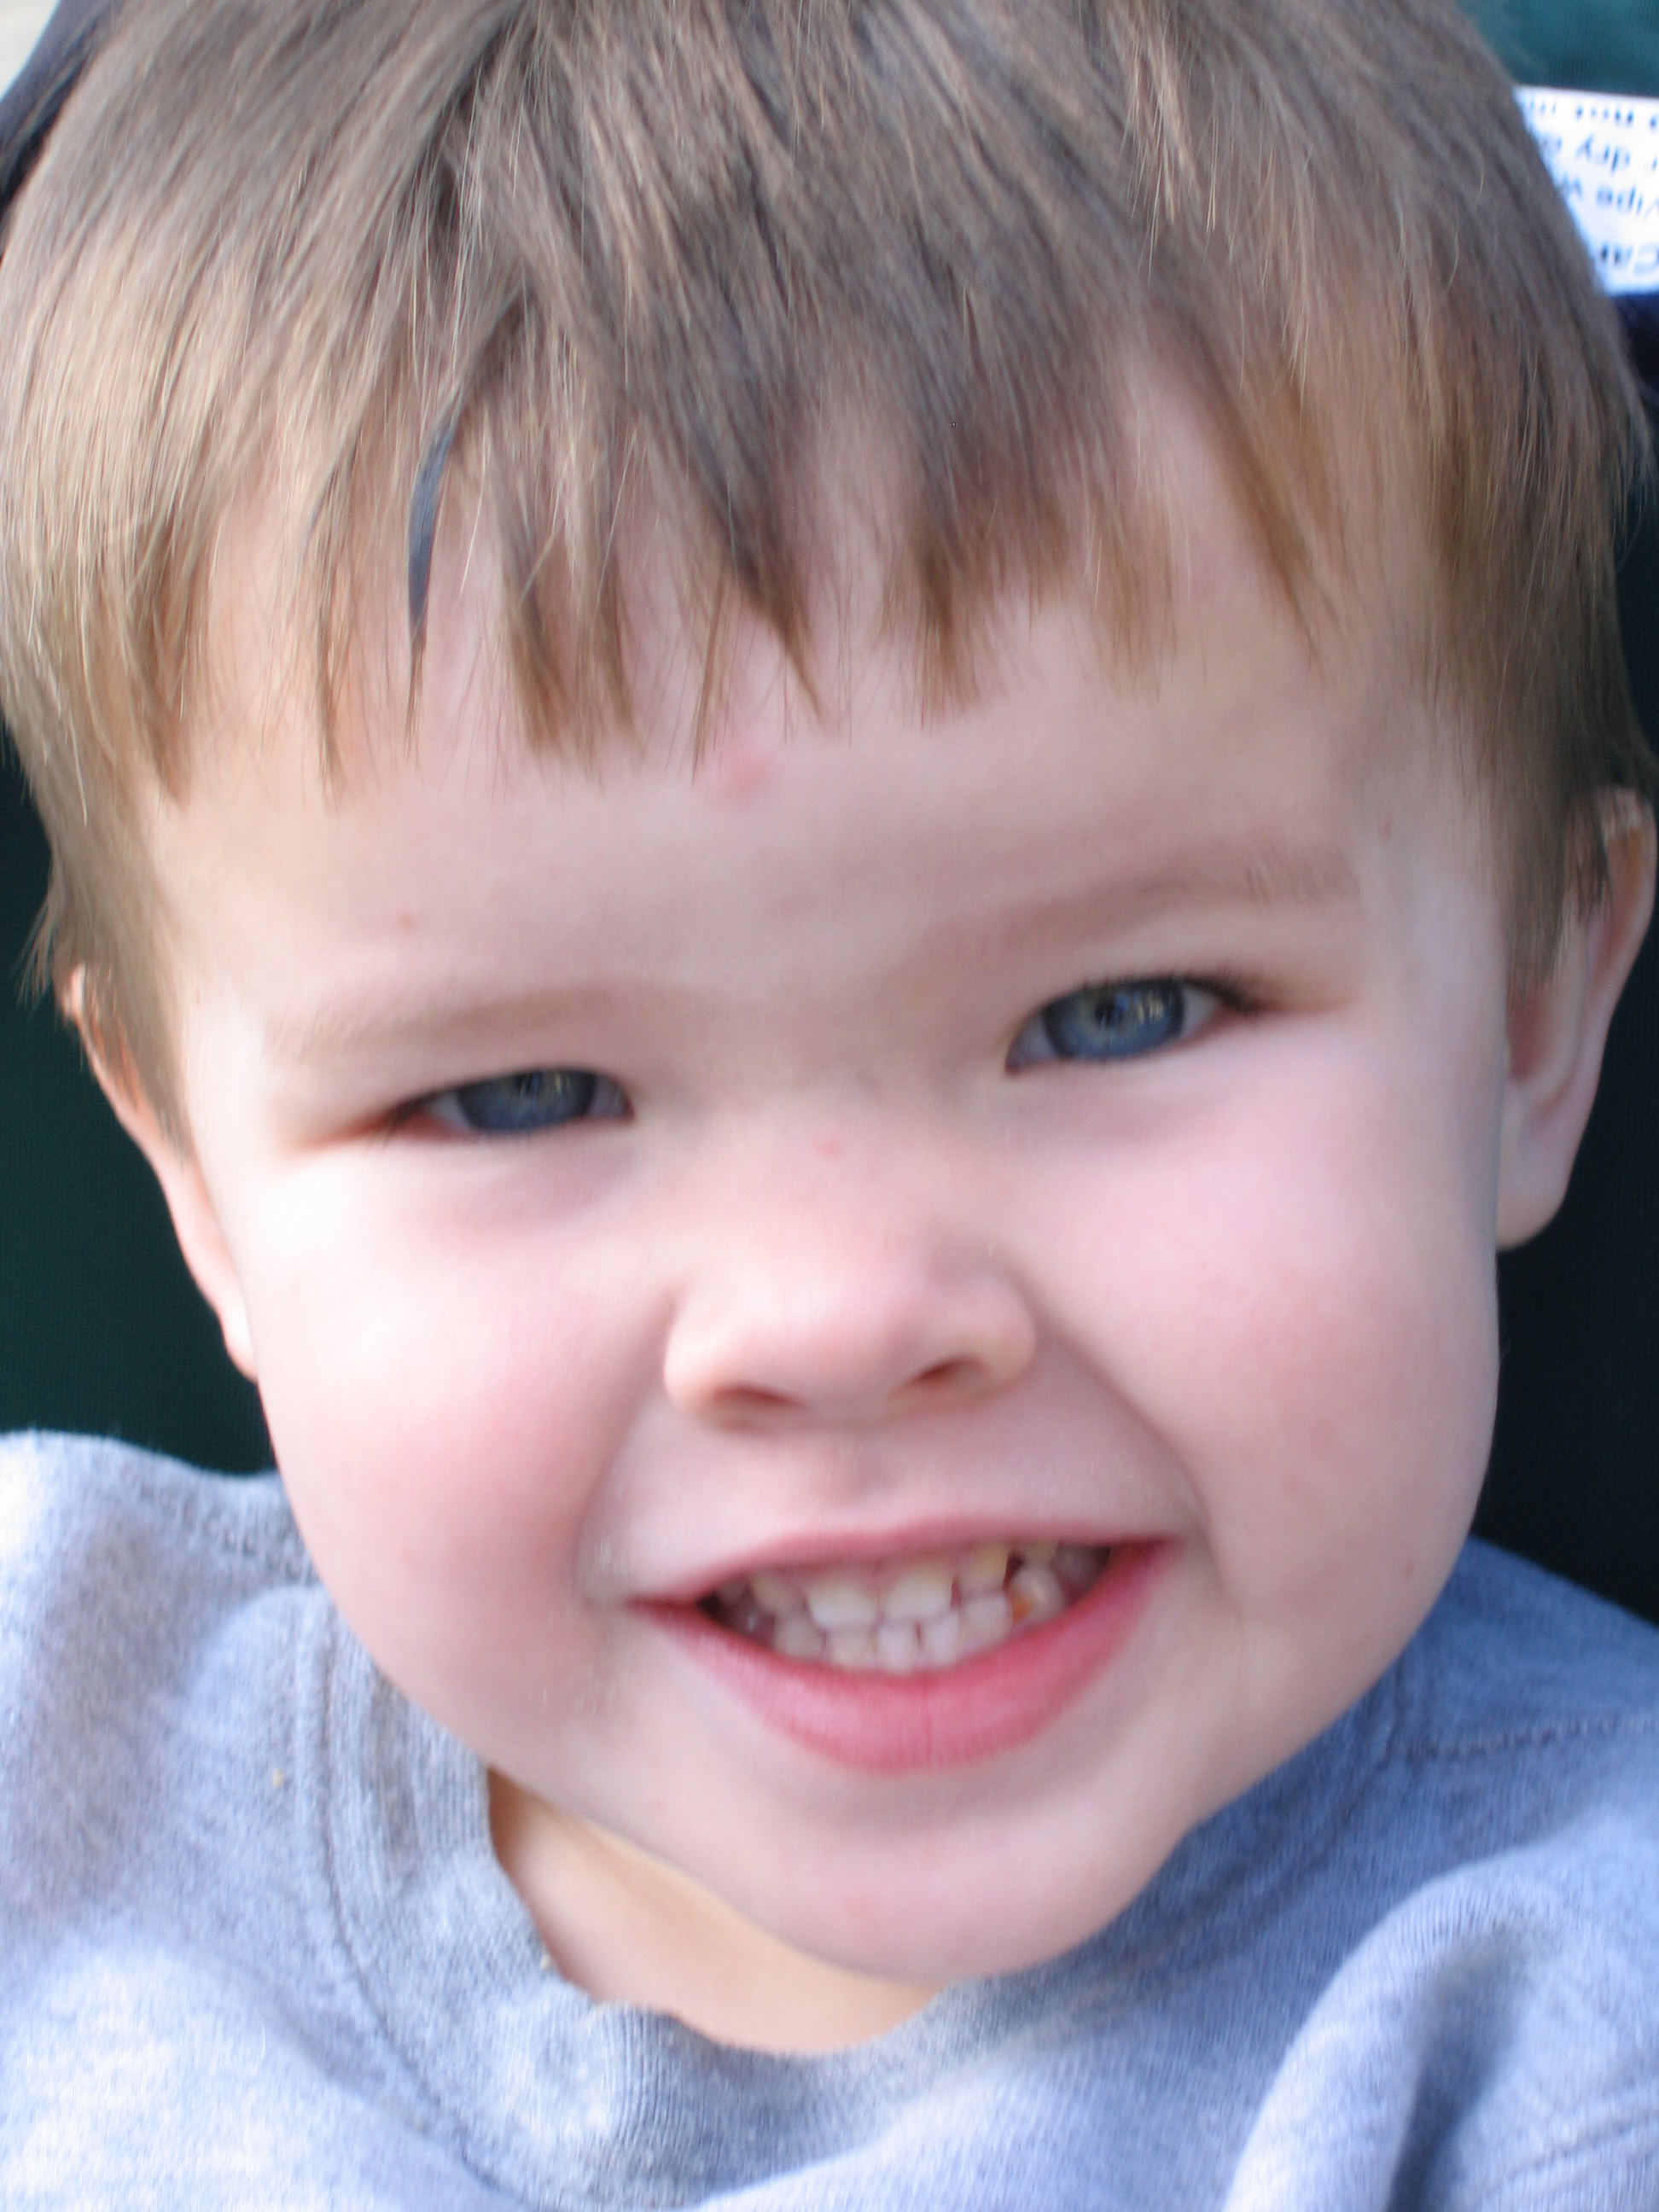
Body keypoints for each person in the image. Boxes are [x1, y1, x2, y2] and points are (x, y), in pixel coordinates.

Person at [2, 0, 1657, 2200]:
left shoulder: (1556, 2027)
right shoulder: (44, 1727)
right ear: (194, 1182)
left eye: (1124, 1012)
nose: (838, 1315)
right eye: (516, 1095)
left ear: (1540, 1012)